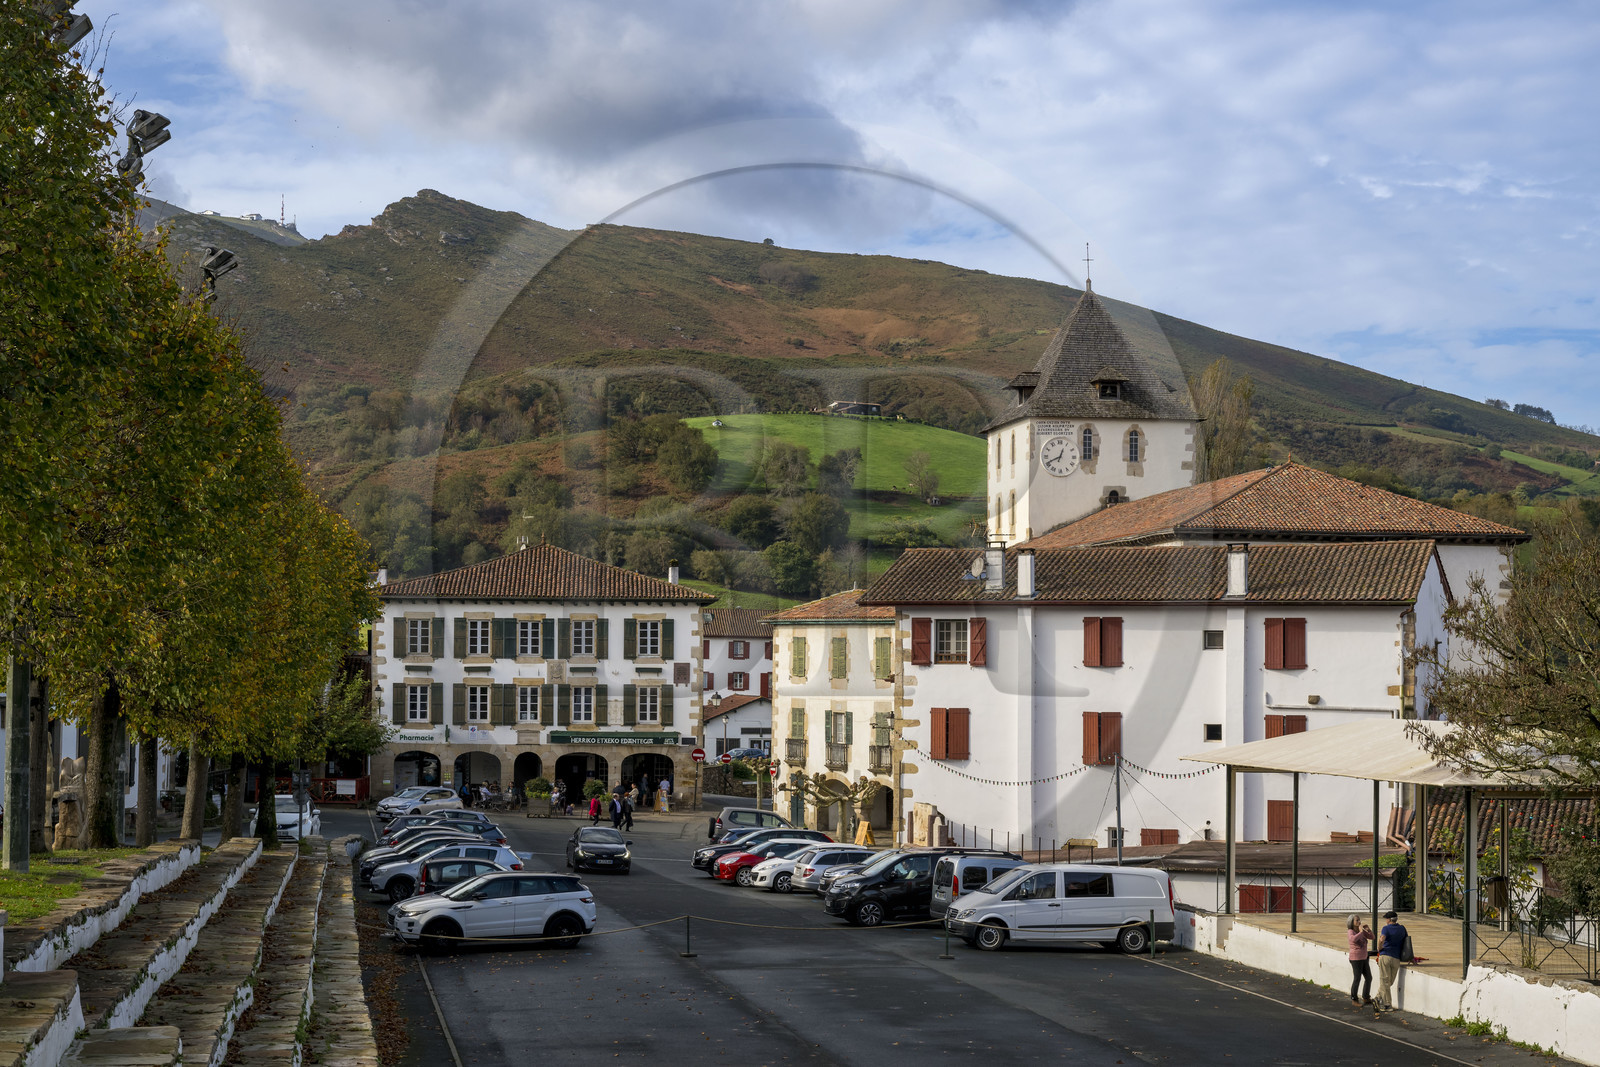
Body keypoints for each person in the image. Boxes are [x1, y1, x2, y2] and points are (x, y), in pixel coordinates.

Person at [1375, 910, 1409, 1012]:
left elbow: (1382, 939)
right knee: (1389, 981)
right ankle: (1380, 999)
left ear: (1389, 920)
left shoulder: (1386, 928)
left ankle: (1385, 1004)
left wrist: (1379, 948)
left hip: (1385, 955)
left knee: (1385, 980)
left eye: (1386, 918)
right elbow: (1407, 941)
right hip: (1396, 958)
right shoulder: (1402, 928)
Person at [1346, 914, 1375, 1007]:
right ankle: (1354, 998)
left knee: (1369, 977)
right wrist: (1361, 932)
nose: (1359, 922)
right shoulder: (1351, 931)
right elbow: (1353, 939)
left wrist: (1368, 930)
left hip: (1364, 957)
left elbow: (1372, 937)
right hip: (1356, 959)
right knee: (1357, 978)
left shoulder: (1361, 931)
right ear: (1352, 923)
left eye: (1359, 920)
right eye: (1357, 920)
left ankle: (1366, 997)